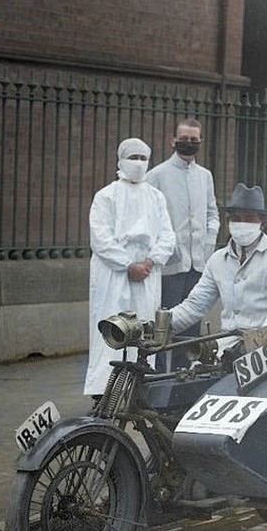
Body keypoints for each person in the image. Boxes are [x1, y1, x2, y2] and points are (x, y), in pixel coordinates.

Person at [84, 138, 176, 395]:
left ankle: (139, 387)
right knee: (111, 327)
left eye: (142, 158)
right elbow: (100, 238)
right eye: (132, 157)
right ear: (121, 160)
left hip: (147, 273)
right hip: (113, 273)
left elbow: (167, 236)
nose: (138, 163)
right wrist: (127, 264)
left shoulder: (156, 197)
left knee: (144, 328)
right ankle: (104, 390)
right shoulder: (106, 196)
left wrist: (149, 261)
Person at [169, 184, 267, 353]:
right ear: (228, 222)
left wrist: (261, 339)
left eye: (249, 218)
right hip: (226, 345)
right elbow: (195, 305)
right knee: (195, 370)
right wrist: (161, 324)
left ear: (262, 223)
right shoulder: (217, 260)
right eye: (236, 218)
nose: (242, 223)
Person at [146, 118, 220, 370]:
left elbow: (212, 213)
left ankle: (183, 374)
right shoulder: (157, 175)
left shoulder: (205, 176)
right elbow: (150, 218)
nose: (189, 143)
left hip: (198, 263)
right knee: (163, 324)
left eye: (194, 139)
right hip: (170, 266)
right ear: (173, 141)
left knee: (191, 326)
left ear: (201, 141)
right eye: (184, 139)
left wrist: (208, 243)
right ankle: (158, 375)